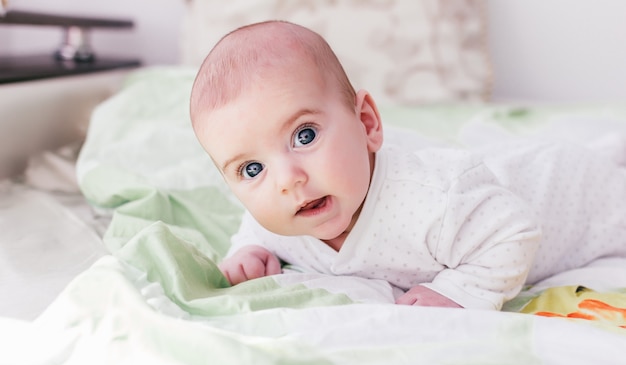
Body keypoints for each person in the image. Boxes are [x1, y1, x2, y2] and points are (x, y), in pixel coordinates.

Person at [189, 20, 626, 310]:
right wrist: (246, 252)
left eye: (305, 135)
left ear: (366, 123)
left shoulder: (427, 200)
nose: (287, 180)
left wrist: (456, 293)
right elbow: (257, 226)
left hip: (570, 194)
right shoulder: (284, 210)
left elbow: (515, 231)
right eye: (251, 170)